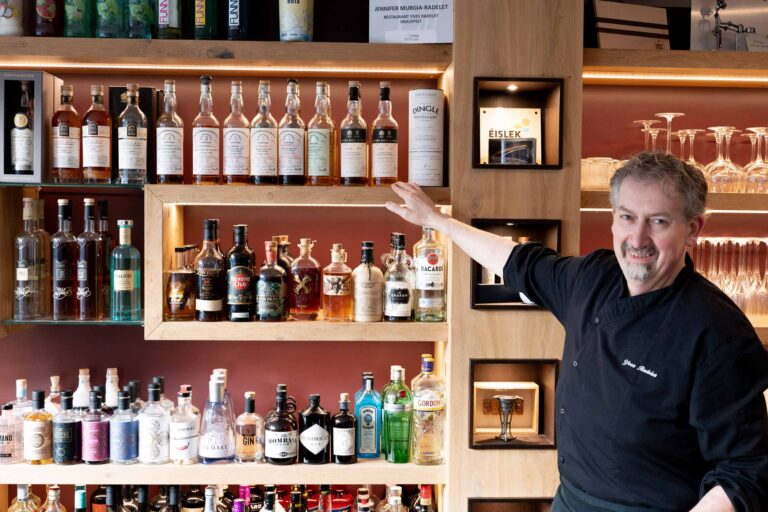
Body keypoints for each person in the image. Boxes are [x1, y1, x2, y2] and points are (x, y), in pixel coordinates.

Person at [386, 152, 768, 512]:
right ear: (613, 218)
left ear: (693, 229)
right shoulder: (593, 277)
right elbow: (514, 260)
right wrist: (437, 220)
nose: (638, 239)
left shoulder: (718, 333)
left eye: (658, 221)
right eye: (628, 217)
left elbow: (746, 472)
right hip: (570, 500)